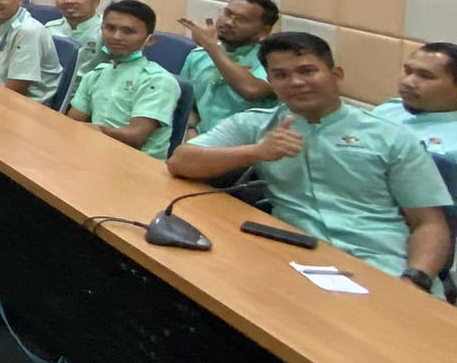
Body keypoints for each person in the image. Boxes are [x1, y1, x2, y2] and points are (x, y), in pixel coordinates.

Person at [170, 34, 452, 286]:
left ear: (336, 74)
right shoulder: (257, 125)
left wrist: (415, 279)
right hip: (296, 255)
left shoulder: (390, 136)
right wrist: (256, 152)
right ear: (271, 83)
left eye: (307, 71)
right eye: (281, 75)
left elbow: (429, 224)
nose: (296, 82)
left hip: (381, 262)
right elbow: (181, 161)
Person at [65, 0, 180, 158]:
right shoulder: (96, 74)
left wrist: (96, 130)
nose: (116, 37)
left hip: (138, 164)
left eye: (128, 31)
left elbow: (135, 137)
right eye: (110, 28)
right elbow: (72, 123)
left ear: (150, 40)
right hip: (96, 153)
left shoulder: (157, 80)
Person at [178, 0, 278, 134]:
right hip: (200, 139)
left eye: (241, 20)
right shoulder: (198, 56)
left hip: (247, 142)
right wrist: (190, 128)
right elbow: (185, 103)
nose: (229, 22)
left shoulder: (271, 61)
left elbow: (252, 90)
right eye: (227, 14)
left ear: (264, 31)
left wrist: (211, 47)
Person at [372, 44, 457, 173]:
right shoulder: (388, 109)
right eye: (407, 71)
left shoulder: (452, 149)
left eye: (425, 76)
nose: (407, 82)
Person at [46, 0, 106, 108]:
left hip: (89, 103)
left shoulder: (107, 31)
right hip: (51, 97)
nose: (69, 1)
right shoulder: (49, 29)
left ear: (95, 2)